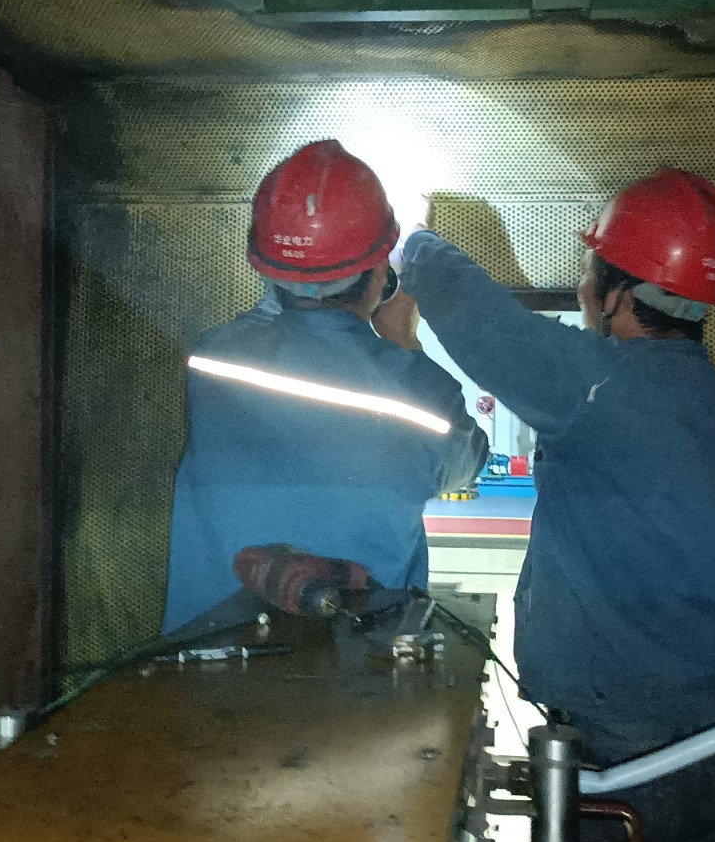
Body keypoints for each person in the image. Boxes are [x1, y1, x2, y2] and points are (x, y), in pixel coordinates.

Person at [395, 168, 715, 842]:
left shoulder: (604, 389)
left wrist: (411, 236)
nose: (580, 288)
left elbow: (482, 322)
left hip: (618, 751)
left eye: (588, 270)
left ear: (617, 294)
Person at [161, 140, 488, 633]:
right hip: (361, 665)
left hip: (206, 659)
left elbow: (274, 309)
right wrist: (401, 337)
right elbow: (468, 464)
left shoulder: (211, 360)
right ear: (382, 273)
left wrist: (307, 255)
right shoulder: (422, 396)